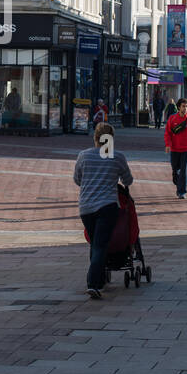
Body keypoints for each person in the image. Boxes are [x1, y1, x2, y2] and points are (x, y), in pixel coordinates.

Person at [73, 122, 134, 300]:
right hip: (107, 206)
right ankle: (93, 283)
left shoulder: (83, 156)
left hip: (86, 207)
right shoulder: (117, 157)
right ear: (111, 139)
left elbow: (77, 179)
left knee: (95, 243)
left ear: (95, 138)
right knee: (100, 245)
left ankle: (99, 280)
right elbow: (128, 180)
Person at [163, 97, 187, 199]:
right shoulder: (172, 118)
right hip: (174, 149)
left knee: (184, 171)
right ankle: (177, 180)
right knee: (175, 169)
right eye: (183, 106)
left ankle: (182, 191)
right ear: (179, 107)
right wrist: (168, 145)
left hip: (186, 150)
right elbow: (167, 133)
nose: (185, 108)